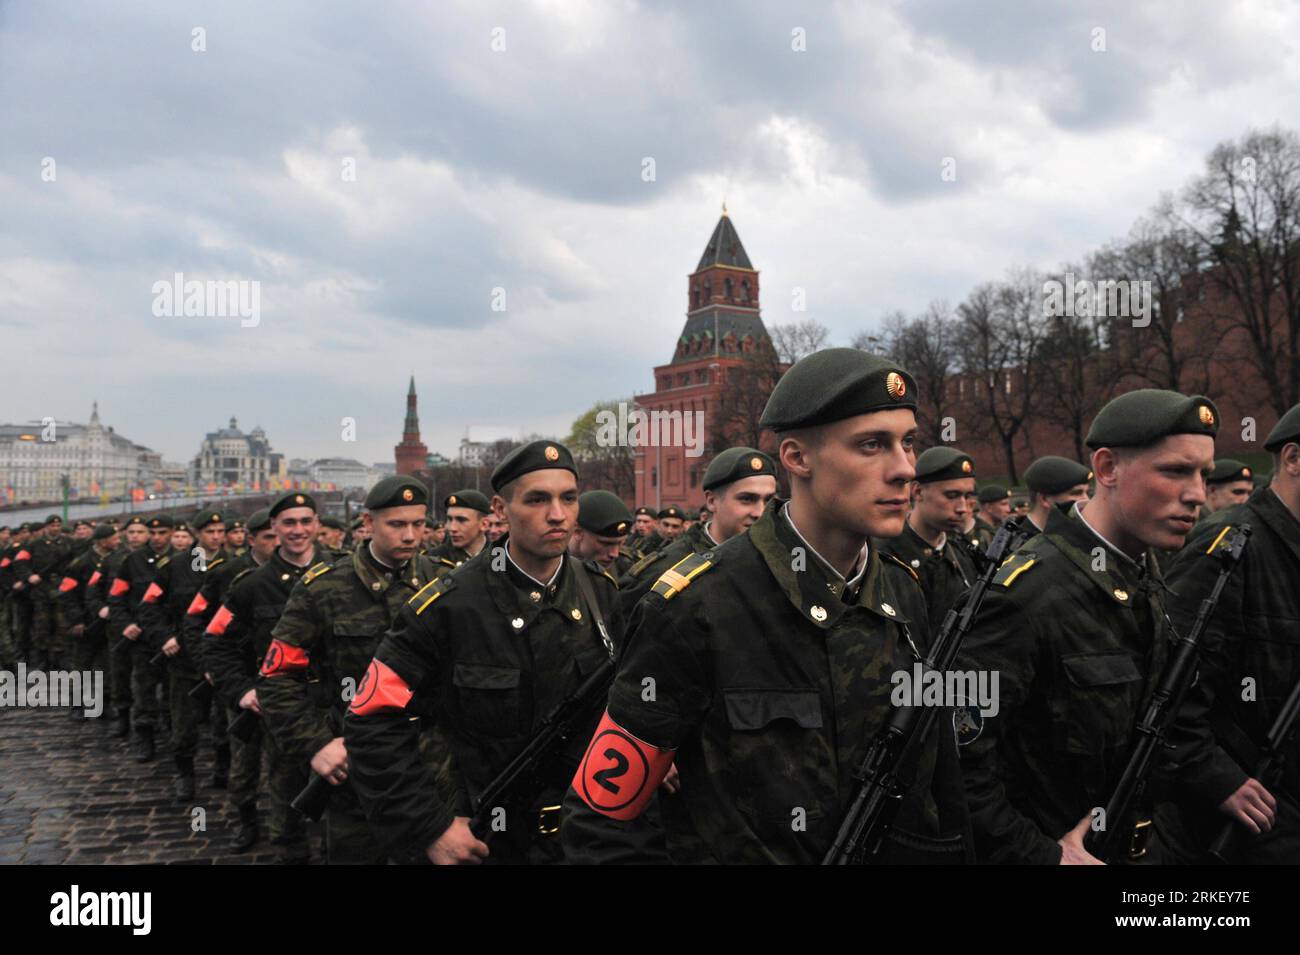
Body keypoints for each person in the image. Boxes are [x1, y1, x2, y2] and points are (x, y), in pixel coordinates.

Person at [564, 349, 969, 864]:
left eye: (908, 443)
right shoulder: (697, 604)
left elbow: (936, 793)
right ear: (798, 458)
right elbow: (605, 821)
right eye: (872, 445)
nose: (905, 469)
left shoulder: (903, 592)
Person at [956, 388, 1218, 864]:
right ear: (1107, 469)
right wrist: (1041, 856)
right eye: (1176, 471)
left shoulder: (1146, 574)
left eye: (1204, 475)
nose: (1197, 494)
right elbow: (956, 766)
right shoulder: (1024, 594)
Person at [344, 441, 623, 864]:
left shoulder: (600, 593)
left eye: (568, 498)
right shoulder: (447, 607)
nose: (558, 514)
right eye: (537, 499)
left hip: (588, 832)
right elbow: (371, 720)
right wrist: (429, 825)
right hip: (489, 839)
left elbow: (627, 695)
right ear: (500, 508)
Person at [258, 476, 438, 864]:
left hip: (430, 767)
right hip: (357, 769)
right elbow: (277, 677)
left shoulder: (444, 583)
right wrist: (315, 744)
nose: (410, 535)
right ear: (369, 524)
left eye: (418, 524)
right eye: (397, 524)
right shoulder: (323, 588)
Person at [1157, 404, 1300, 863]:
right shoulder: (1230, 545)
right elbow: (1167, 686)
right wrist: (1215, 778)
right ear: (1294, 459)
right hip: (1246, 819)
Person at [203, 491, 325, 863]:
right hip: (282, 712)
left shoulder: (342, 573)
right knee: (286, 798)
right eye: (289, 523)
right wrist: (241, 691)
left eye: (306, 521)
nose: (298, 530)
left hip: (333, 708)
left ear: (317, 525)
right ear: (273, 528)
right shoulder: (251, 586)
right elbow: (215, 640)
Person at [193, 508, 276, 850]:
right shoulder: (228, 573)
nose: (276, 542)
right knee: (244, 758)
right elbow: (199, 620)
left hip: (284, 683)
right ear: (251, 539)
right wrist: (212, 667)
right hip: (242, 680)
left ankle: (289, 824)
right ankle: (246, 819)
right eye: (268, 536)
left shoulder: (303, 573)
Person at [617, 447, 778, 614]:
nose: (760, 512)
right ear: (711, 501)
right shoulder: (666, 570)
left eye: (768, 500)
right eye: (746, 499)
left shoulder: (780, 560)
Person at [139, 510, 226, 799]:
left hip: (223, 656)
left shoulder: (234, 566)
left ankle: (223, 769)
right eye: (210, 532)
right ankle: (185, 773)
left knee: (225, 721)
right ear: (197, 533)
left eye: (219, 531)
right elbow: (149, 605)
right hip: (186, 657)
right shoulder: (175, 567)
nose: (216, 537)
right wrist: (163, 636)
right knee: (185, 722)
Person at [876, 447, 978, 627]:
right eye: (951, 495)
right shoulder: (881, 555)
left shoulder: (963, 557)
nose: (962, 508)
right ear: (918, 492)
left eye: (967, 496)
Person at [107, 515, 174, 762]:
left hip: (173, 638)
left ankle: (175, 733)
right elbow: (116, 598)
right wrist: (125, 625)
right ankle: (144, 736)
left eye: (162, 533)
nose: (157, 538)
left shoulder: (191, 559)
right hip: (143, 637)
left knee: (175, 691)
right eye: (152, 533)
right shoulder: (131, 561)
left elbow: (201, 595)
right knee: (144, 689)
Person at [1020, 456, 1092, 535]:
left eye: (1087, 493)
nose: (1086, 500)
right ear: (1044, 499)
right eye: (1076, 493)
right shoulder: (1025, 545)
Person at [569, 490, 635, 576]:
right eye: (606, 544)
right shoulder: (551, 567)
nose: (615, 554)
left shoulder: (625, 566)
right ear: (577, 532)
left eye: (620, 543)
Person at [430, 489, 491, 573]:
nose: (452, 528)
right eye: (449, 519)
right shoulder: (433, 558)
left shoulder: (499, 556)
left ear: (484, 524)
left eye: (461, 520)